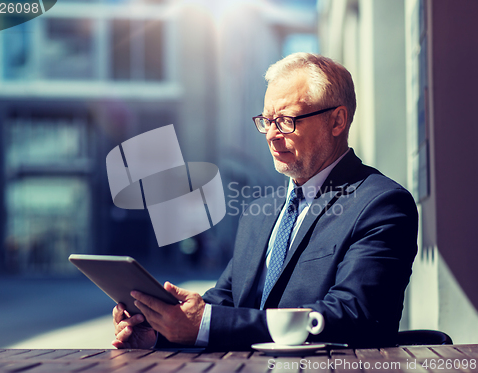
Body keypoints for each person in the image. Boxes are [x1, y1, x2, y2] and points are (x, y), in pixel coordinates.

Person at [112, 53, 418, 351]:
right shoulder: (260, 212)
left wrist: (206, 323)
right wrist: (160, 328)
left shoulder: (381, 204)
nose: (271, 134)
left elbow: (355, 316)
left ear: (337, 121)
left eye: (286, 121)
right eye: (267, 120)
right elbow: (226, 302)